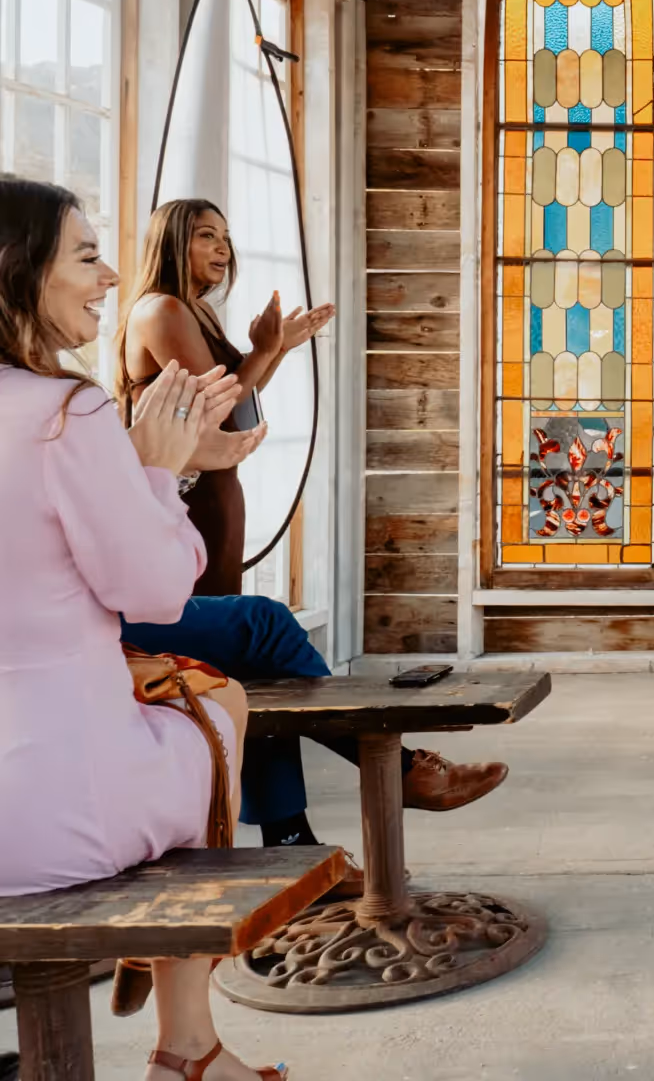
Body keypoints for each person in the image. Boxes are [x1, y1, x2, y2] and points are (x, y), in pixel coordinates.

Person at [0, 176, 287, 1080]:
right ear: (17, 271)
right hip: (45, 814)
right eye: (85, 255)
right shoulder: (63, 413)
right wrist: (158, 472)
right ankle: (187, 1042)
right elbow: (156, 590)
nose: (109, 273)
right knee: (218, 708)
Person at [120, 595, 510, 872]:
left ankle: (292, 847)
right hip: (83, 619)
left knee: (255, 664)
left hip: (82, 609)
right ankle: (401, 768)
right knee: (265, 622)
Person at [117, 198, 334, 594]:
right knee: (201, 618)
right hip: (187, 489)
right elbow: (222, 402)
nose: (223, 248)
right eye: (207, 236)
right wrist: (266, 350)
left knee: (221, 610)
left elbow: (242, 393)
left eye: (226, 238)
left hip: (218, 484)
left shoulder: (197, 310)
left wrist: (279, 347)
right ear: (172, 244)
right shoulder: (162, 310)